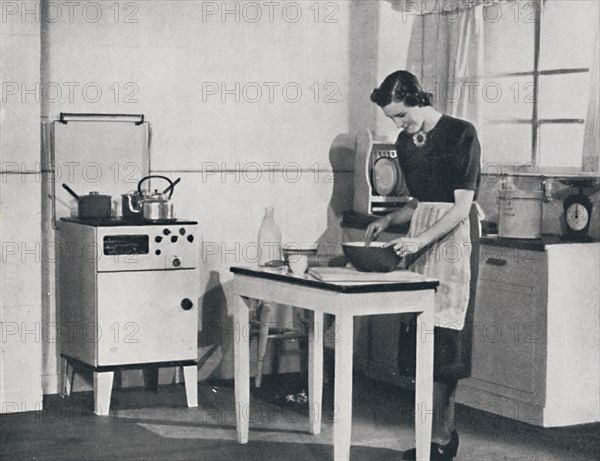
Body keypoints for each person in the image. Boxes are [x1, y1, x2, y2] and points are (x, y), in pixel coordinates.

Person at [366, 70, 481, 461]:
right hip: (421, 237)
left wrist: (419, 239)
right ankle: (429, 435)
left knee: (446, 340)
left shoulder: (461, 133)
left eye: (400, 115)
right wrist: (388, 220)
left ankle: (445, 437)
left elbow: (461, 207)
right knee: (421, 337)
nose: (398, 125)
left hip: (454, 239)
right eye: (393, 118)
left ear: (416, 99)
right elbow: (418, 202)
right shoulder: (405, 142)